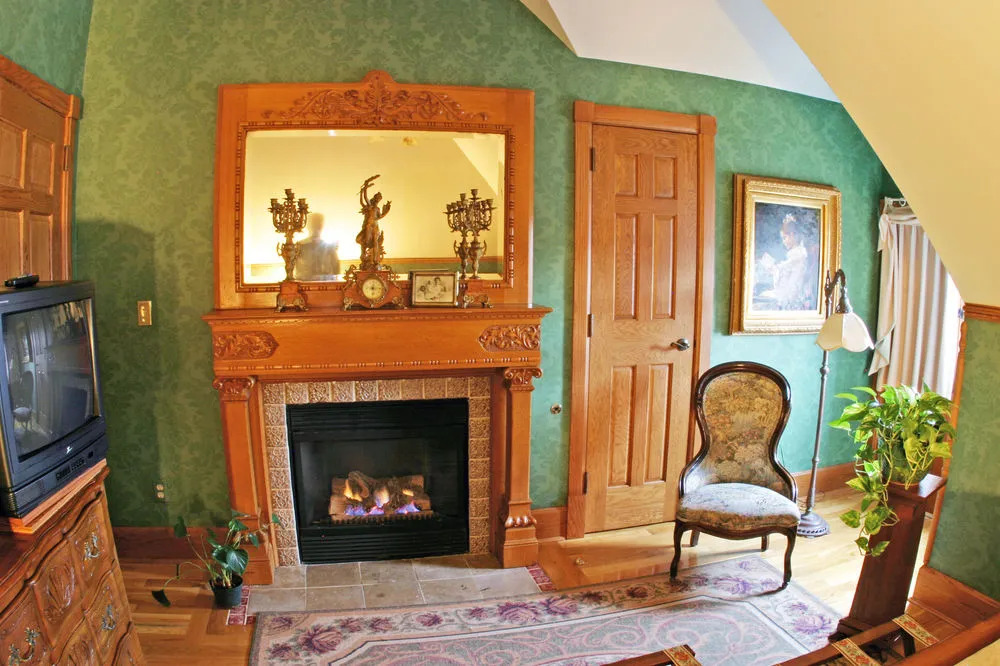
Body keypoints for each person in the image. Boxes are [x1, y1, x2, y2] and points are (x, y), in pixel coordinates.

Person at [758, 214, 810, 310]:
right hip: (788, 291)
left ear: (792, 235)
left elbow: (790, 282)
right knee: (763, 296)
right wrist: (774, 268)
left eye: (784, 238)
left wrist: (773, 267)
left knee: (762, 300)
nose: (783, 241)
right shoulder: (795, 254)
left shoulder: (798, 254)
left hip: (791, 294)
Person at [294, 213, 339, 281]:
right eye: (314, 224)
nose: (317, 227)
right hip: (305, 284)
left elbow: (336, 270)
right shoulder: (300, 246)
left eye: (319, 224)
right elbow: (295, 270)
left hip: (327, 285)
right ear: (308, 226)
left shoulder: (330, 247)